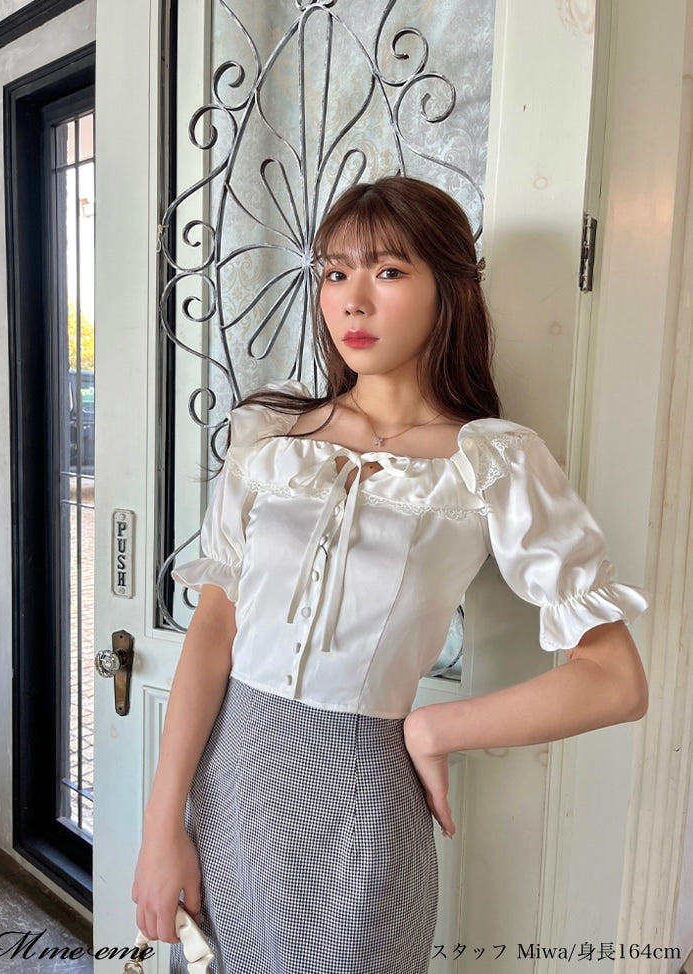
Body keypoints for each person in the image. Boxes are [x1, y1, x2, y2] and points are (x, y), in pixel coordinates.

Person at [132, 176, 649, 974]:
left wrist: (434, 729)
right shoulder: (272, 435)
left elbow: (615, 682)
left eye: (389, 271)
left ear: (450, 288)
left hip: (362, 812)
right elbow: (214, 627)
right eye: (335, 273)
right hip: (229, 784)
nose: (353, 300)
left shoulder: (494, 461)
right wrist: (161, 825)